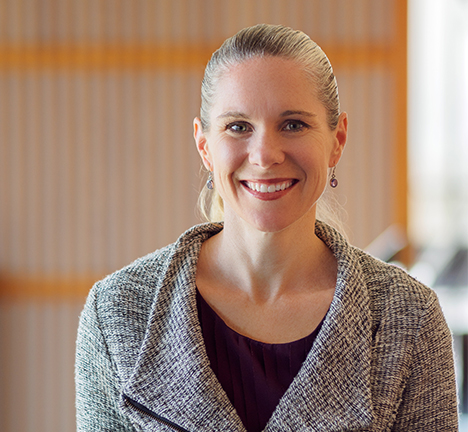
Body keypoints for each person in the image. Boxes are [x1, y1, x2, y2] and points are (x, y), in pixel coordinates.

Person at [75, 24, 458, 431]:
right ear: (205, 146)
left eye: (293, 124)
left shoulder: (407, 317)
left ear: (337, 140)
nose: (264, 155)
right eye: (238, 127)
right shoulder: (116, 312)